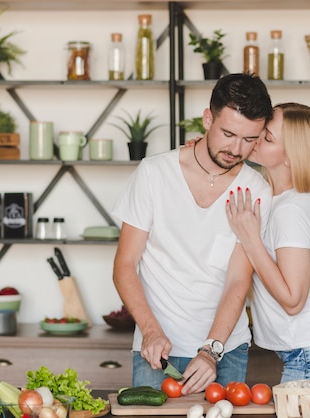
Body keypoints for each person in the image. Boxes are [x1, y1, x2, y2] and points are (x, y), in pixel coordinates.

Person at [111, 73, 273, 395]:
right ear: (208, 118)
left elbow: (238, 281)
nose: (236, 149)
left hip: (225, 349)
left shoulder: (256, 190)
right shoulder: (154, 174)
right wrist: (151, 331)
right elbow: (124, 266)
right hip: (157, 349)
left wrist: (211, 349)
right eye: (228, 133)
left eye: (249, 139)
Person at [225, 102, 310, 391]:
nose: (255, 139)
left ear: (290, 157)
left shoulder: (290, 212)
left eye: (267, 137)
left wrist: (250, 239)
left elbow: (293, 300)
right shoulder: (282, 195)